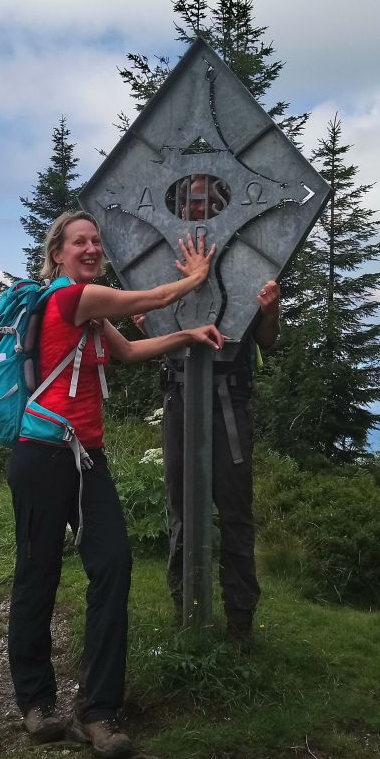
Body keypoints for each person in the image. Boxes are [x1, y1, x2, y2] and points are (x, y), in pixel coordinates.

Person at [12, 211, 223, 759]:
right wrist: (195, 278)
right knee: (39, 573)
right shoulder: (68, 299)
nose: (90, 248)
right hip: (39, 455)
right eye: (79, 241)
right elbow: (145, 300)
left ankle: (98, 710)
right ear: (57, 253)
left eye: (95, 241)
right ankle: (36, 704)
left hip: (86, 459)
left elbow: (128, 352)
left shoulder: (86, 310)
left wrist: (188, 335)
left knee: (114, 566)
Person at [153, 274, 277, 648]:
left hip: (229, 403)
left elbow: (267, 339)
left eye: (201, 207)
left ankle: (240, 624)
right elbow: (153, 336)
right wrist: (146, 321)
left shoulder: (245, 267)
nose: (195, 211)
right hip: (179, 398)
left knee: (236, 513)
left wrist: (270, 311)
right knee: (182, 511)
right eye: (186, 208)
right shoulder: (166, 271)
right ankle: (186, 616)